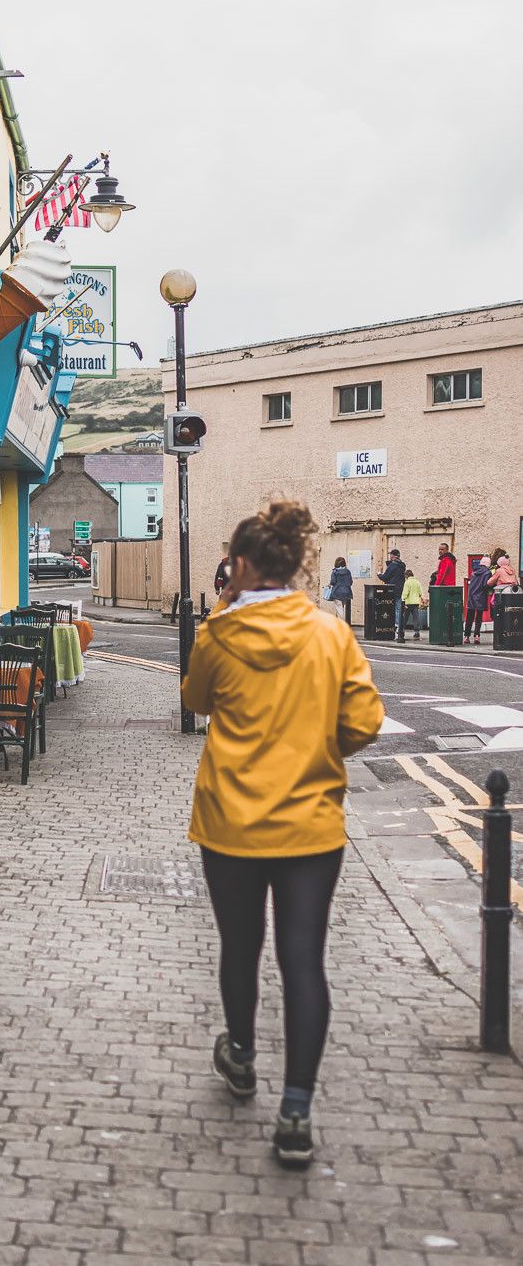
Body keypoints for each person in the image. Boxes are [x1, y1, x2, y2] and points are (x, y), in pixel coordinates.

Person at [182, 500, 383, 1167]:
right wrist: (318, 752)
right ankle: (296, 1109)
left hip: (231, 822)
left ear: (239, 566)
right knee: (304, 961)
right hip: (311, 824)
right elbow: (364, 721)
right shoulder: (330, 634)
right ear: (296, 565)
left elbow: (196, 700)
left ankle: (240, 1057)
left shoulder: (218, 634)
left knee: (240, 948)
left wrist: (221, 612)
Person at [377, 548, 406, 640]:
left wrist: (379, 574)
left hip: (391, 589)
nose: (390, 556)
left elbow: (385, 577)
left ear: (393, 556)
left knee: (391, 609)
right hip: (400, 589)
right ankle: (399, 628)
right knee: (398, 608)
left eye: (391, 555)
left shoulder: (393, 565)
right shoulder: (402, 565)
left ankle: (394, 627)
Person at [465, 557, 491, 645]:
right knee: (478, 618)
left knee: (469, 618)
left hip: (471, 596)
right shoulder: (487, 572)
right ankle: (477, 636)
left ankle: (466, 637)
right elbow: (485, 585)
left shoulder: (473, 573)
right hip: (481, 596)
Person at [327, 557, 353, 625]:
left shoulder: (335, 571)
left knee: (339, 610)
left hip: (337, 592)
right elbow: (350, 582)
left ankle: (342, 626)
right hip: (346, 592)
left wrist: (329, 584)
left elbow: (333, 581)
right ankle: (337, 625)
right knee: (340, 609)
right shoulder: (348, 571)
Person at [400, 569, 424, 641]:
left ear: (406, 575)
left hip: (408, 603)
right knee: (416, 618)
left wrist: (403, 599)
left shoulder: (407, 582)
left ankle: (402, 631)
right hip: (416, 603)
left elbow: (405, 592)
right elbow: (420, 593)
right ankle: (417, 632)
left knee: (405, 618)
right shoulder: (417, 582)